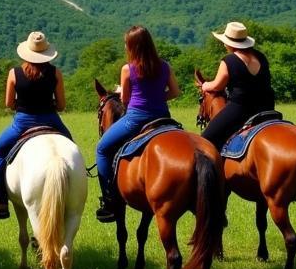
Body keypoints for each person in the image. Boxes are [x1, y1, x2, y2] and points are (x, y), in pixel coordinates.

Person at [94, 25, 180, 223]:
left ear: (133, 46)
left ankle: (109, 200)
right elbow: (175, 92)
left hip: (136, 118)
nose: (125, 47)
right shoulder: (164, 66)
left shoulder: (128, 68)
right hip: (163, 117)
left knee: (102, 149)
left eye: (126, 44)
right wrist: (157, 97)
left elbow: (124, 99)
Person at [0, 31, 72, 219]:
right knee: (72, 149)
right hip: (51, 120)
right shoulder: (56, 73)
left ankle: (1, 199)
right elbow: (61, 105)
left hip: (22, 122)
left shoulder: (14, 73)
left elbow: (9, 103)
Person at [199, 21, 276, 149]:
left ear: (230, 43)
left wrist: (205, 85)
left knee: (205, 140)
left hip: (241, 108)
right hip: (267, 106)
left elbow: (217, 86)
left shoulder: (229, 60)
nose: (224, 44)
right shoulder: (261, 57)